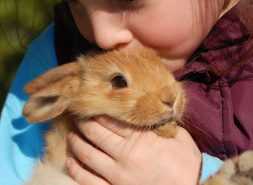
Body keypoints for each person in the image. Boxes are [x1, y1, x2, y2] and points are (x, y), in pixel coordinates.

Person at [0, 0, 252, 185]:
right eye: (75, 4)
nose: (102, 35)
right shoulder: (57, 51)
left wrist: (193, 176)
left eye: (127, 1)